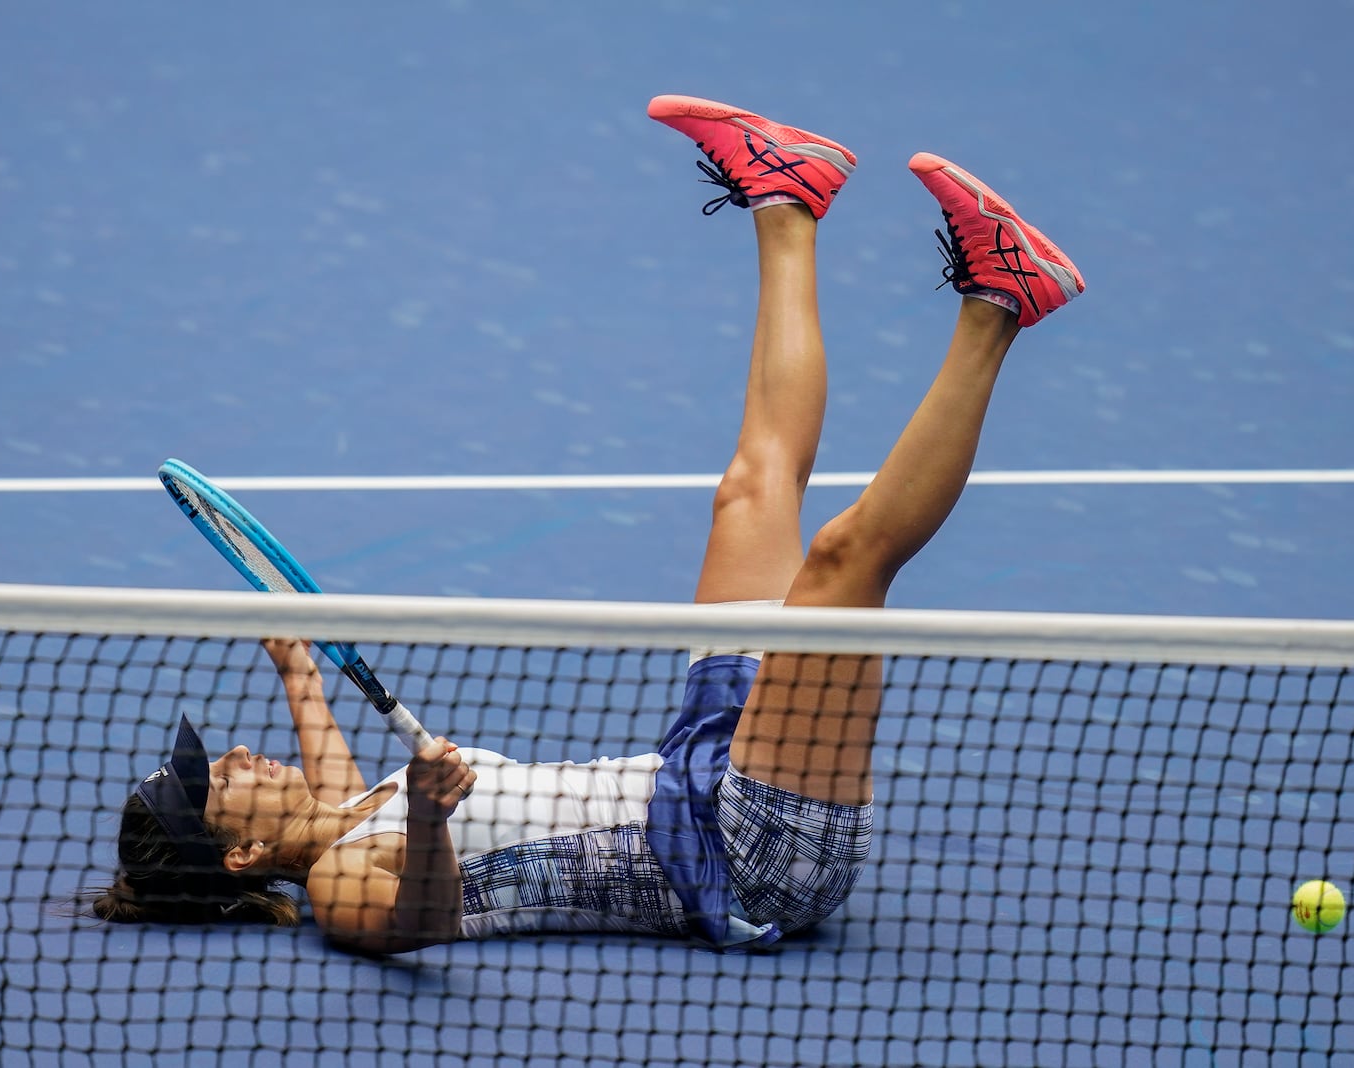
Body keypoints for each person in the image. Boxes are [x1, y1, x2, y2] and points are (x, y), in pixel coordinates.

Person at [81, 94, 1084, 954]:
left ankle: (786, 198)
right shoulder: (341, 882)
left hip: (698, 764)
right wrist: (429, 818)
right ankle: (999, 300)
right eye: (219, 783)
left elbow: (329, 754)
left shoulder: (343, 807)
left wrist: (297, 665)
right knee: (837, 566)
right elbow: (415, 922)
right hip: (747, 857)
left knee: (750, 487)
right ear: (245, 853)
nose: (238, 759)